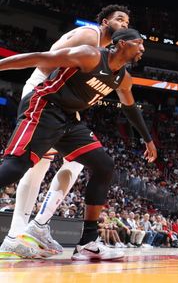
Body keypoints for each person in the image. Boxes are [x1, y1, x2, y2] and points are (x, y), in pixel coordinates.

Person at [0, 28, 156, 261]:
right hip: (45, 107)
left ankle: (87, 243)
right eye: (139, 43)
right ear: (122, 44)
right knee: (16, 167)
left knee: (104, 166)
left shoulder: (123, 78)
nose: (143, 48)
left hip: (69, 121)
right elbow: (39, 58)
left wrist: (148, 139)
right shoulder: (90, 55)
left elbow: (130, 108)